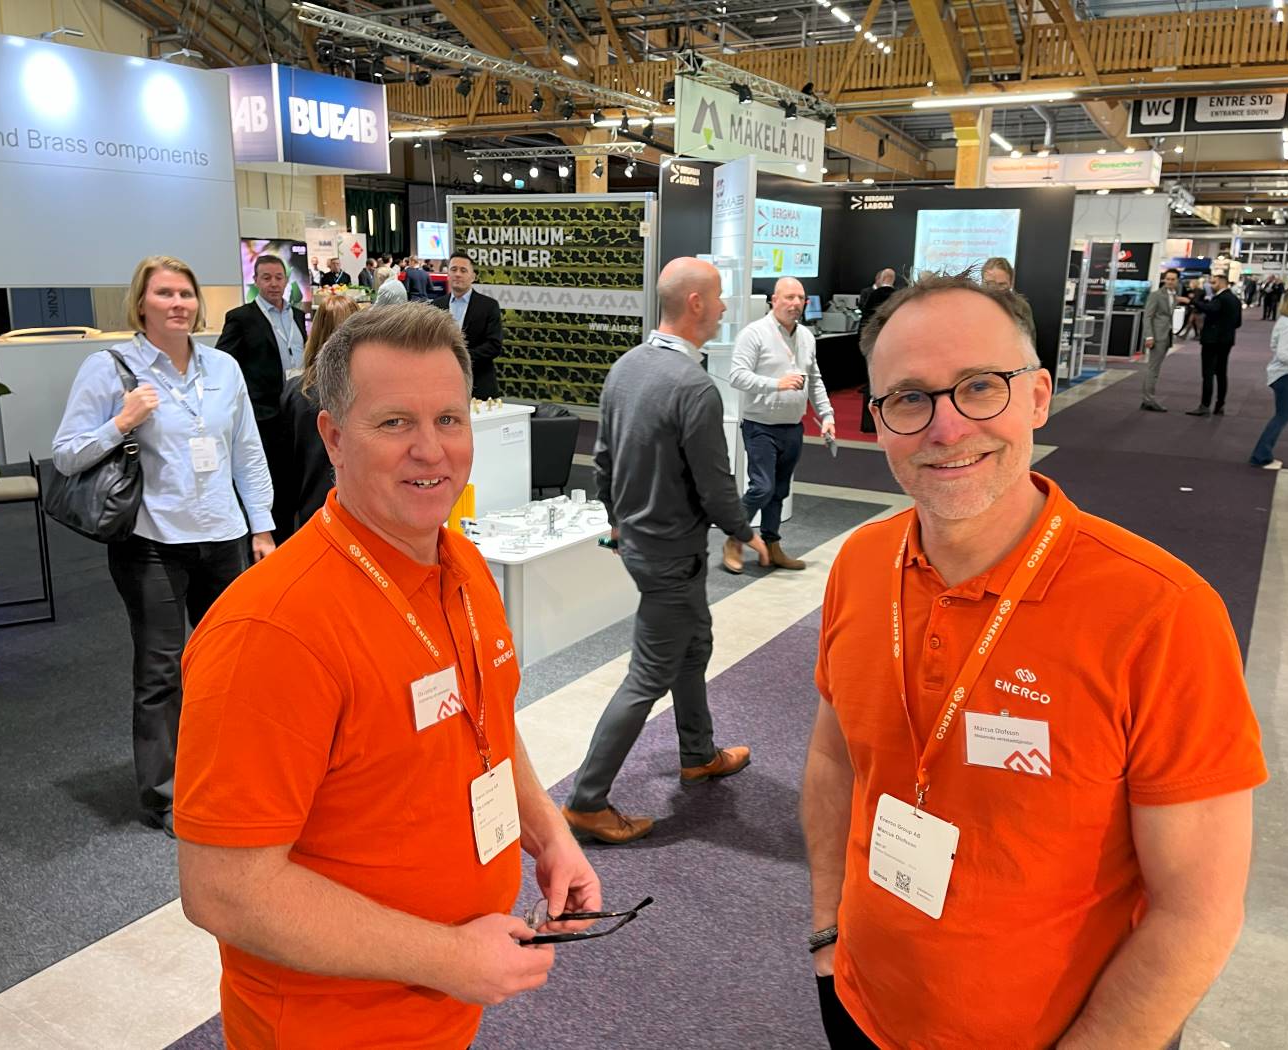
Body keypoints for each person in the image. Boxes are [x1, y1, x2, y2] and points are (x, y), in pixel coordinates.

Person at [802, 273, 1266, 1050]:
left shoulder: (1162, 613)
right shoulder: (861, 562)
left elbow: (1197, 910)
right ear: (875, 420)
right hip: (858, 1000)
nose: (946, 429)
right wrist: (827, 930)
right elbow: (832, 759)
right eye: (909, 399)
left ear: (1039, 397)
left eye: (980, 387)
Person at [174, 302, 600, 1048]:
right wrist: (448, 957)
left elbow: (485, 721)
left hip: (440, 1005)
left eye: (449, 419)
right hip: (330, 1026)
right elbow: (225, 891)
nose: (431, 451)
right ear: (334, 437)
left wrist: (547, 831)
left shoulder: (460, 564)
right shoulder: (271, 632)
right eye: (395, 422)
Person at [52, 256, 275, 839]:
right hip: (152, 541)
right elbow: (66, 454)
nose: (178, 303)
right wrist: (121, 422)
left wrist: (262, 527)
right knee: (161, 671)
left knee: (232, 664)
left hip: (223, 537)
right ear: (141, 304)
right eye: (165, 294)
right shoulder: (111, 368)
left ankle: (229, 774)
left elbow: (247, 452)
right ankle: (166, 796)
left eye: (186, 293)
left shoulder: (223, 367)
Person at [562, 258, 770, 845]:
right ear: (696, 303)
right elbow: (714, 482)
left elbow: (603, 458)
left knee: (693, 645)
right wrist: (744, 530)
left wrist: (617, 521)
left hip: (643, 543)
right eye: (720, 296)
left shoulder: (626, 367)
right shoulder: (693, 386)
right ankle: (586, 801)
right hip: (672, 551)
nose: (725, 307)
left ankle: (698, 754)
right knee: (649, 674)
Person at [725, 276, 835, 572]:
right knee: (762, 488)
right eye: (789, 297)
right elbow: (737, 376)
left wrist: (827, 415)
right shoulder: (754, 333)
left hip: (792, 427)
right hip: (760, 425)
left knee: (779, 491)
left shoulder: (807, 337)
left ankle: (772, 544)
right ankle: (735, 538)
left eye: (801, 298)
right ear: (774, 300)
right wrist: (776, 384)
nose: (796, 303)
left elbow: (815, 380)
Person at [215, 255, 309, 541]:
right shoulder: (242, 318)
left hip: (295, 411)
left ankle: (291, 543)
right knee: (269, 486)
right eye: (266, 278)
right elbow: (223, 364)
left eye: (279, 277)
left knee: (292, 485)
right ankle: (266, 544)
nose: (273, 283)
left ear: (286, 280)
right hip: (264, 416)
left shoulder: (296, 316)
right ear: (255, 281)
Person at [276, 294, 361, 532]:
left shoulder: (296, 392)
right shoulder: (371, 391)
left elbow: (284, 467)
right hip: (363, 515)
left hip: (311, 516)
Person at [1248, 289, 1288, 471]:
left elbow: (1277, 347)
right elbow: (1282, 353)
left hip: (1285, 373)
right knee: (1282, 416)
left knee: (1282, 416)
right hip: (1286, 375)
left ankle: (1261, 454)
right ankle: (1261, 456)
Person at [435, 250, 504, 399]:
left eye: (463, 270)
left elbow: (494, 345)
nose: (457, 274)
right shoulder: (436, 306)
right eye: (453, 269)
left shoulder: (488, 306)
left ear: (473, 276)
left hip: (479, 383)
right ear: (448, 274)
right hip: (443, 384)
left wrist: (461, 358)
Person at [1187, 272, 1243, 417]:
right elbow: (1238, 323)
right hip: (1226, 341)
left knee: (1208, 374)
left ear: (1222, 282)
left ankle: (1205, 405)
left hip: (1212, 341)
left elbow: (1210, 309)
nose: (1211, 286)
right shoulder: (1235, 300)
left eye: (1214, 282)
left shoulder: (1221, 298)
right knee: (1222, 373)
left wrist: (1193, 301)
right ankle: (1220, 404)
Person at [1139, 268, 1188, 412]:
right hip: (1157, 336)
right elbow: (1147, 316)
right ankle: (1149, 400)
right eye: (1167, 279)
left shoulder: (1173, 294)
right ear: (1164, 279)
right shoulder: (1156, 295)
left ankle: (1147, 399)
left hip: (1166, 336)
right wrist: (1149, 336)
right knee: (1153, 369)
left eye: (1173, 279)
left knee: (1155, 369)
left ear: (1177, 281)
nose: (1170, 282)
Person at [980, 256, 1036, 344]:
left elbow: (1029, 343)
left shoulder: (1021, 307)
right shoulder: (972, 304)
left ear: (1011, 282)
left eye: (1002, 284)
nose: (995, 289)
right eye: (989, 283)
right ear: (982, 280)